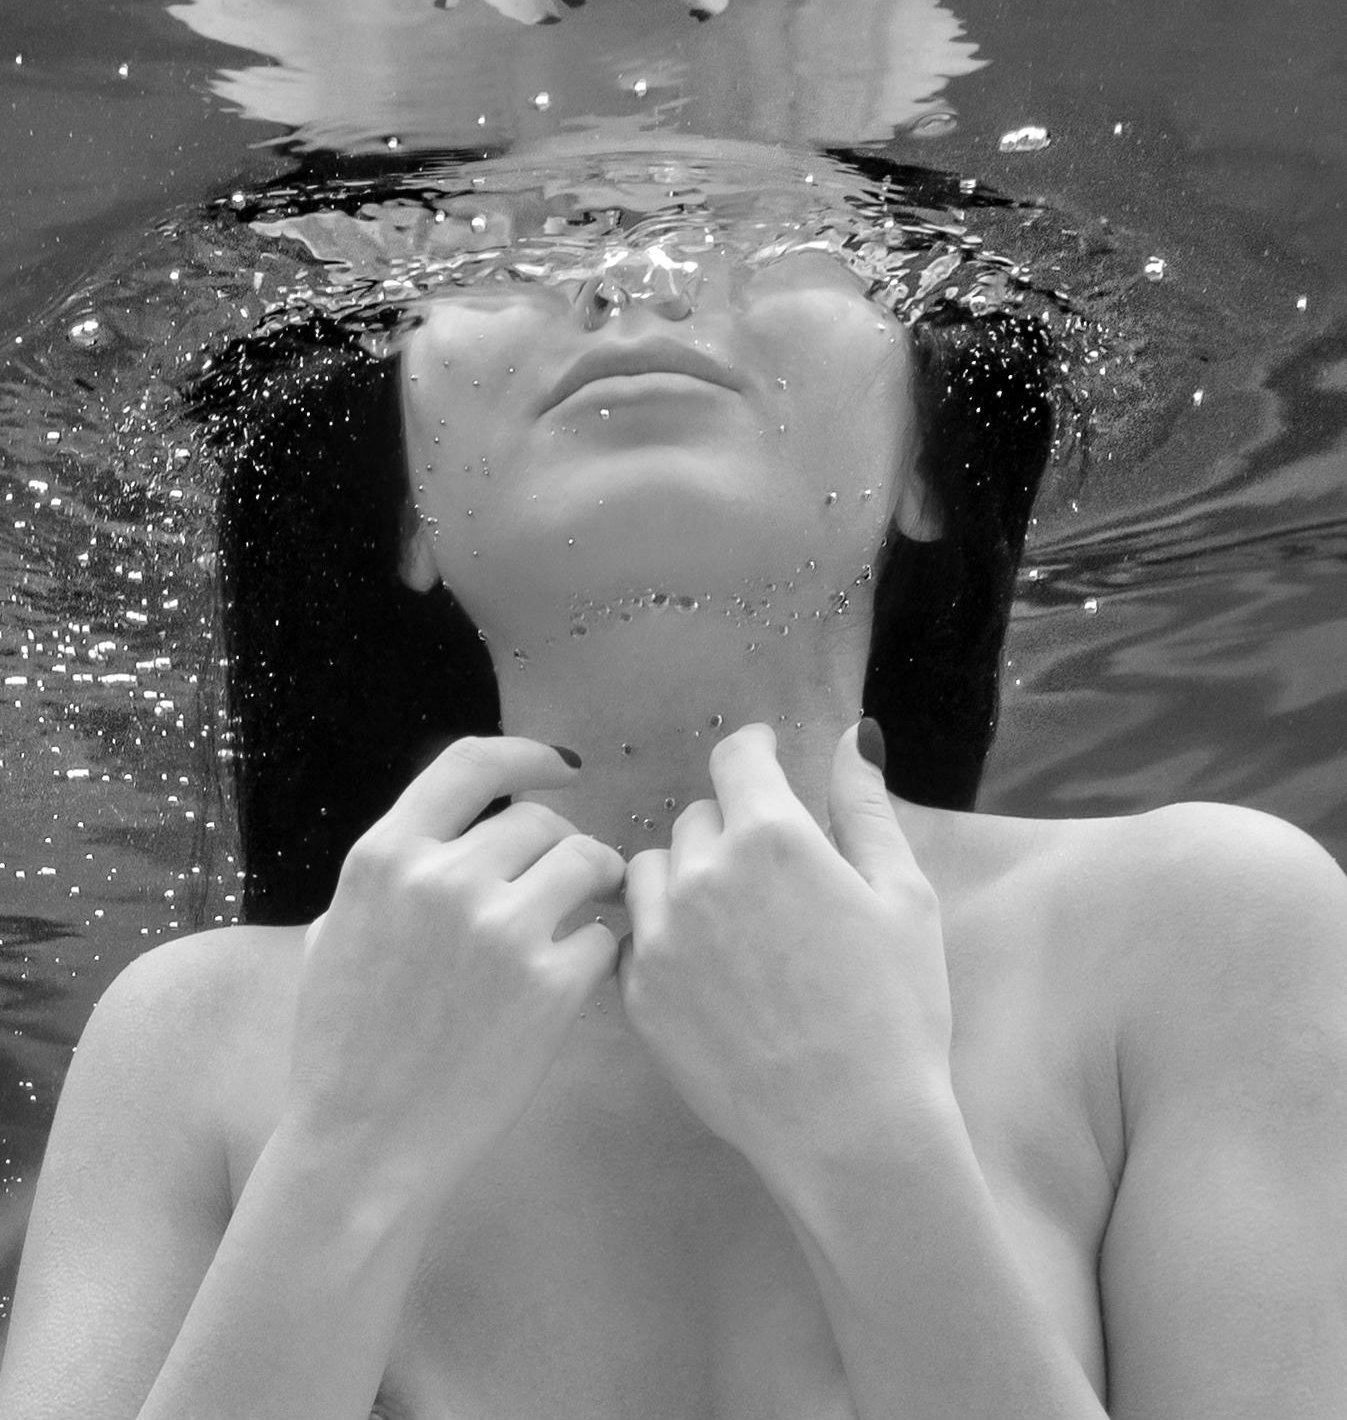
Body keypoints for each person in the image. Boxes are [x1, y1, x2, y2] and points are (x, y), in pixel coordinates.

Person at [2, 158, 1347, 1420]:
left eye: (778, 223)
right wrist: (344, 1158)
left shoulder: (1208, 931)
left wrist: (871, 1145)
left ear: (931, 458)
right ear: (406, 510)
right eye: (491, 247)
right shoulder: (190, 1039)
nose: (633, 271)